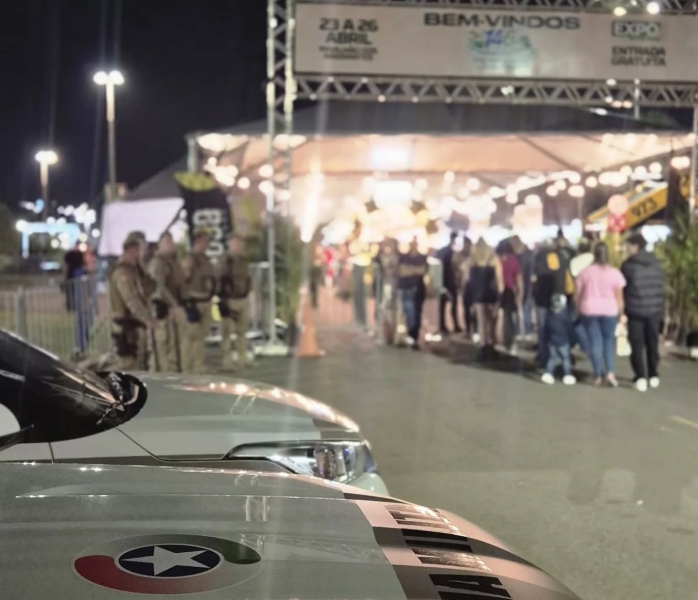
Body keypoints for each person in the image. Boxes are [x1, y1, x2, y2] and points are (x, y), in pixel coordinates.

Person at [575, 242, 626, 387]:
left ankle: (597, 375)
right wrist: (621, 314)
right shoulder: (615, 273)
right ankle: (610, 372)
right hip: (610, 310)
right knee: (609, 341)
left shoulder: (585, 272)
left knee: (595, 342)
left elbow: (577, 295)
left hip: (589, 310)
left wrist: (577, 310)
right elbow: (619, 297)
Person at [621, 233, 664, 392]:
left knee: (637, 344)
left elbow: (623, 288)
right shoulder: (656, 263)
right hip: (654, 309)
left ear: (635, 246)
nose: (626, 249)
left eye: (628, 246)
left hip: (635, 309)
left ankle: (640, 376)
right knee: (652, 342)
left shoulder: (628, 265)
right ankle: (653, 374)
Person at [108, 233, 156, 371]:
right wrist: (147, 319)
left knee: (138, 364)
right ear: (132, 249)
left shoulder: (134, 269)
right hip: (126, 326)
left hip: (134, 326)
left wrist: (142, 269)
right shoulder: (123, 272)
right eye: (142, 249)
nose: (144, 253)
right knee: (128, 366)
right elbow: (131, 299)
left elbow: (150, 288)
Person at [148, 231, 185, 372]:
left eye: (171, 241)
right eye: (167, 242)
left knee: (172, 346)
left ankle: (170, 373)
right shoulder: (158, 262)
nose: (171, 244)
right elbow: (159, 287)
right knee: (161, 346)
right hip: (161, 309)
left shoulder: (171, 261)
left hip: (170, 308)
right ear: (160, 244)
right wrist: (173, 304)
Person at [181, 230, 215, 373]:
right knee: (192, 336)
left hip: (206, 300)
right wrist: (187, 302)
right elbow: (183, 281)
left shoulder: (205, 259)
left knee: (201, 336)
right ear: (197, 241)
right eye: (204, 241)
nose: (207, 244)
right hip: (194, 301)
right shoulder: (190, 259)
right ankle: (187, 367)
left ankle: (198, 365)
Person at [217, 233, 252, 369]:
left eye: (240, 242)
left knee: (241, 331)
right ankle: (226, 359)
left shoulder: (243, 260)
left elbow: (248, 277)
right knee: (227, 331)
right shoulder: (225, 260)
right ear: (229, 244)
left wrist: (249, 290)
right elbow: (219, 278)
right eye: (236, 242)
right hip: (229, 299)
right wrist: (222, 297)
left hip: (242, 298)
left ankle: (242, 356)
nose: (239, 245)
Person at [462, 238, 499, 357]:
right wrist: (499, 293)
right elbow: (498, 278)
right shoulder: (493, 259)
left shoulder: (472, 260)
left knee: (481, 320)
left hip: (477, 293)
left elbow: (466, 278)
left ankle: (484, 345)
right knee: (491, 320)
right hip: (491, 292)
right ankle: (491, 343)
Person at [398, 237, 428, 349]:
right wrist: (415, 270)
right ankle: (410, 335)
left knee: (416, 313)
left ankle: (414, 336)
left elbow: (422, 270)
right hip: (406, 287)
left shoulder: (422, 257)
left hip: (418, 289)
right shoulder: (404, 257)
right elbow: (402, 271)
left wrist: (410, 270)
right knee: (408, 311)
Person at [541, 294, 576, 385]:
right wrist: (572, 339)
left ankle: (548, 373)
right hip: (563, 341)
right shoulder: (565, 315)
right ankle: (567, 375)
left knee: (552, 358)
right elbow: (569, 328)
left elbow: (546, 329)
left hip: (552, 342)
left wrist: (546, 339)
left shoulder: (549, 315)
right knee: (565, 359)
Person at [497, 239, 522, 354]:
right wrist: (520, 293)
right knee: (509, 318)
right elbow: (518, 278)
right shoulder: (514, 261)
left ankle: (498, 340)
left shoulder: (496, 260)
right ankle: (510, 341)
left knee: (497, 318)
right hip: (509, 291)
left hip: (498, 291)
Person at [437, 231, 462, 335]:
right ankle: (453, 325)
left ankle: (444, 326)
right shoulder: (450, 252)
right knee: (451, 304)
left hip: (444, 281)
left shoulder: (443, 251)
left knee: (444, 305)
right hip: (448, 281)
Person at [510, 236, 533, 340]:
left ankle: (518, 331)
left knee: (517, 310)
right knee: (526, 309)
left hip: (516, 285)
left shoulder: (514, 258)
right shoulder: (528, 256)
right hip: (528, 286)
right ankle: (527, 331)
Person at [457, 237, 478, 340]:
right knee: (468, 309)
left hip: (472, 285)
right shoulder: (463, 257)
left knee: (474, 309)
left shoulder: (473, 258)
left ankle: (474, 331)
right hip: (467, 285)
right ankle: (470, 331)